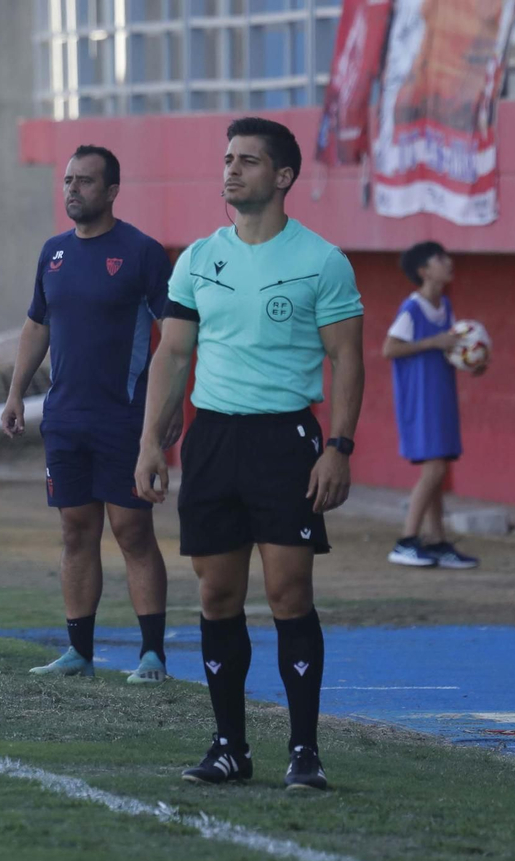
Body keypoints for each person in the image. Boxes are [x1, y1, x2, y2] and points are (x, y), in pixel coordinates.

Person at [135, 118, 365, 791]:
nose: (232, 171)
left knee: (288, 591)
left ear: (284, 176)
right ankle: (229, 745)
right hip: (212, 439)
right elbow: (173, 352)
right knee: (216, 591)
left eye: (249, 161)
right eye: (228, 159)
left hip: (285, 441)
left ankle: (305, 750)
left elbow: (347, 357)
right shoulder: (199, 257)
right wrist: (153, 439)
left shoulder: (321, 260)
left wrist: (340, 447)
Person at [2, 144, 178, 685]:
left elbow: (176, 336)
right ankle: (78, 651)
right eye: (68, 180)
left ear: (111, 191)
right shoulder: (53, 253)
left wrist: (165, 414)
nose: (72, 189)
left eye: (84, 181)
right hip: (65, 419)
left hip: (124, 419)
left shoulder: (142, 253)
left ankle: (152, 656)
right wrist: (15, 394)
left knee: (131, 531)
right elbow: (38, 325)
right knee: (76, 532)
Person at [383, 241, 481, 569]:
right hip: (420, 398)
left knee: (438, 471)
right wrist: (433, 342)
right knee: (434, 469)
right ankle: (407, 540)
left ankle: (437, 540)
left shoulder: (446, 306)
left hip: (441, 396)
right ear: (424, 271)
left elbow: (452, 351)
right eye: (440, 259)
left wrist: (473, 361)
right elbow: (389, 349)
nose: (449, 262)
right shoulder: (412, 309)